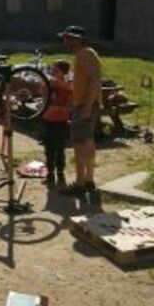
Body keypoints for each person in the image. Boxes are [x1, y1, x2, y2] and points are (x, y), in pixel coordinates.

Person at [58, 26, 102, 196]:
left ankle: (79, 184)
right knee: (88, 142)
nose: (64, 42)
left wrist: (87, 106)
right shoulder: (85, 54)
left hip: (85, 105)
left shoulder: (85, 54)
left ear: (75, 39)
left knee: (79, 145)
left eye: (67, 38)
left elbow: (95, 80)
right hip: (86, 103)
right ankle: (89, 180)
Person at [42, 60, 73, 188]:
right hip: (48, 119)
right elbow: (43, 95)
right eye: (51, 70)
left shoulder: (67, 85)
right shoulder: (48, 84)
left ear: (63, 73)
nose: (52, 72)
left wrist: (60, 84)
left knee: (60, 147)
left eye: (56, 70)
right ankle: (50, 173)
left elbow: (69, 104)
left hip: (61, 120)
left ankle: (60, 172)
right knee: (49, 147)